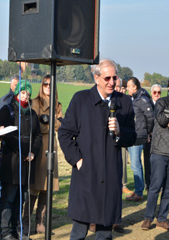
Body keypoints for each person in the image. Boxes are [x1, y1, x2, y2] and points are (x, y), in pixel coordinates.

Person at [58, 59, 136, 240]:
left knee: (104, 232)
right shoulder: (81, 99)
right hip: (86, 174)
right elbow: (65, 134)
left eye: (114, 77)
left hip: (110, 176)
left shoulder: (124, 102)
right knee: (79, 231)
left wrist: (119, 131)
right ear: (96, 78)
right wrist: (78, 161)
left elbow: (132, 136)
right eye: (107, 78)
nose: (111, 82)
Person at [0, 81, 42, 240]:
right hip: (11, 161)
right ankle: (6, 232)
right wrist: (23, 151)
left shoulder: (32, 113)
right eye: (23, 92)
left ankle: (19, 230)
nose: (25, 96)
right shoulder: (7, 110)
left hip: (27, 163)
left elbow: (37, 135)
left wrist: (33, 152)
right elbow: (7, 135)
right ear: (17, 93)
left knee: (21, 199)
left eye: (28, 93)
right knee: (8, 198)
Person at [22, 75, 62, 236]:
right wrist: (49, 124)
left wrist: (50, 120)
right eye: (45, 84)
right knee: (34, 189)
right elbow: (35, 125)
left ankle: (41, 223)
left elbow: (61, 125)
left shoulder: (57, 105)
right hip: (38, 148)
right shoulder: (35, 102)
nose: (47, 87)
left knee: (47, 189)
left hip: (51, 147)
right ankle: (26, 223)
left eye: (50, 84)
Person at [141, 75, 169, 232]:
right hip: (159, 151)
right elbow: (162, 120)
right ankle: (148, 218)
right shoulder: (161, 102)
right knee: (155, 186)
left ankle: (162, 219)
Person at [126, 77, 154, 202]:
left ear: (135, 87)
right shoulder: (136, 98)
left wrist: (148, 132)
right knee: (136, 164)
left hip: (138, 136)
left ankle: (139, 192)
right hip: (136, 134)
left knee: (136, 165)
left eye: (128, 86)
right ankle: (141, 189)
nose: (127, 88)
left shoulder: (142, 100)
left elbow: (150, 118)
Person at [142, 84, 162, 192]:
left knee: (159, 163)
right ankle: (148, 184)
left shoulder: (164, 105)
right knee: (148, 162)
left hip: (161, 140)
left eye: (159, 92)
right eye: (155, 92)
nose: (157, 94)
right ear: (151, 93)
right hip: (149, 138)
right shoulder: (147, 105)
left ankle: (159, 184)